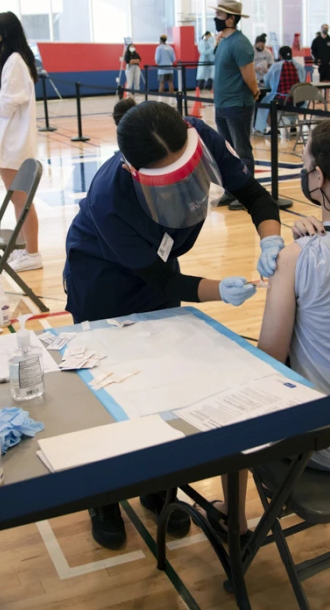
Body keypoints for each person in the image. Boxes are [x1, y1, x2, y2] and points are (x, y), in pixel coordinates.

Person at [63, 100, 284, 549]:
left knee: (160, 378)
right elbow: (163, 278)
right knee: (110, 385)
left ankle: (154, 480)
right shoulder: (111, 200)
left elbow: (254, 194)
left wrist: (271, 236)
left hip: (159, 267)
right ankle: (103, 494)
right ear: (135, 172)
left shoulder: (201, 135)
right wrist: (219, 289)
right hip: (103, 281)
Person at [207, 119, 330, 533]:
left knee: (237, 385)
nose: (303, 171)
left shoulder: (300, 257)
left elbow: (269, 361)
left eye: (306, 164)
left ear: (320, 177)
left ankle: (235, 521)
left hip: (328, 444)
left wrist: (295, 251)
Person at [0, 11, 42, 271]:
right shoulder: (13, 59)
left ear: (5, 32)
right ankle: (25, 249)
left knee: (22, 202)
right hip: (10, 139)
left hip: (15, 142)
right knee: (17, 201)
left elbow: (10, 104)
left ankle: (33, 254)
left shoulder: (14, 60)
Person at [211, 0, 261, 208]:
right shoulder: (223, 41)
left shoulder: (240, 43)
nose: (216, 19)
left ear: (231, 18)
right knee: (228, 152)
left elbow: (248, 75)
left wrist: (255, 91)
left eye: (221, 15)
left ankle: (247, 194)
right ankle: (232, 191)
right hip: (223, 104)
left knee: (242, 150)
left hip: (237, 104)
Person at [254, 46, 305, 135]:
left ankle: (274, 129)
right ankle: (293, 127)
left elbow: (267, 81)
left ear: (280, 55)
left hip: (281, 100)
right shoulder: (299, 66)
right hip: (299, 100)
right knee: (292, 103)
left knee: (263, 105)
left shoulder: (276, 66)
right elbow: (302, 81)